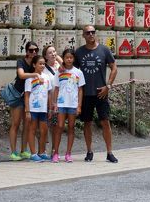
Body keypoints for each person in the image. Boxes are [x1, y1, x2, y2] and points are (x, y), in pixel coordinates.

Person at [73, 25, 119, 163]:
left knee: (105, 121)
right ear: (83, 35)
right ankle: (89, 151)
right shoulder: (79, 52)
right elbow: (73, 71)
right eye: (88, 33)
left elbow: (114, 67)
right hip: (86, 93)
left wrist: (108, 85)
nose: (91, 34)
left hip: (101, 92)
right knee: (87, 122)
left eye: (93, 32)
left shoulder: (104, 50)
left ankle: (109, 152)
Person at [8, 41, 41, 161]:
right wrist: (35, 75)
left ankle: (24, 150)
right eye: (31, 50)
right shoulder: (21, 61)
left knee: (27, 123)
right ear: (26, 51)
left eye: (36, 50)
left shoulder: (36, 61)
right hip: (18, 95)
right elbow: (21, 75)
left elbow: (53, 59)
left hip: (30, 95)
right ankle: (13, 151)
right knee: (15, 123)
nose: (33, 52)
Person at [51, 49, 85, 163]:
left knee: (71, 127)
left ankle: (68, 153)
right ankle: (55, 153)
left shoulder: (78, 72)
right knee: (59, 127)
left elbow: (80, 90)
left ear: (73, 59)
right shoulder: (59, 72)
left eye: (71, 57)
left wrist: (79, 105)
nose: (69, 59)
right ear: (63, 59)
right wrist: (54, 103)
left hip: (73, 104)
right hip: (61, 104)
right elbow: (56, 89)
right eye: (66, 57)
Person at [24, 55, 53, 162]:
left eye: (43, 64)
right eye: (40, 63)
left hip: (43, 109)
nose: (42, 65)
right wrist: (27, 111)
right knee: (32, 130)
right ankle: (33, 153)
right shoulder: (29, 79)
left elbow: (49, 94)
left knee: (44, 130)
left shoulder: (47, 77)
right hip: (33, 109)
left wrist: (50, 108)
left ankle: (41, 152)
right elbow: (27, 95)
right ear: (34, 65)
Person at [42, 44, 62, 157]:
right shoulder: (43, 69)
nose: (53, 54)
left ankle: (55, 150)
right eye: (50, 53)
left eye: (54, 51)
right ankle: (44, 149)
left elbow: (63, 61)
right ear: (45, 56)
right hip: (46, 102)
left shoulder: (60, 66)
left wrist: (56, 56)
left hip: (59, 101)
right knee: (45, 127)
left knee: (56, 126)